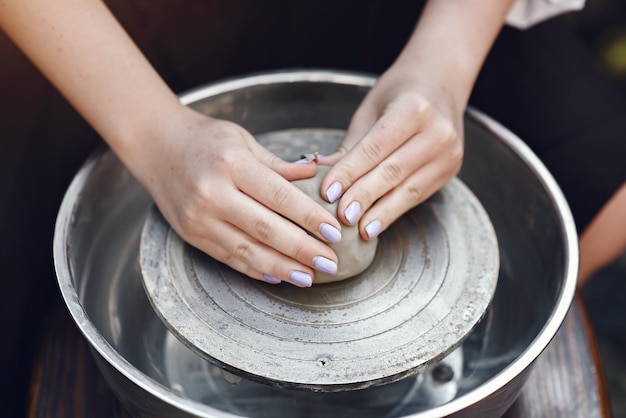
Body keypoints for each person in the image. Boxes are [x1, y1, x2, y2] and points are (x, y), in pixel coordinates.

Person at [0, 0, 624, 415]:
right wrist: (156, 135)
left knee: (604, 179)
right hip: (108, 34)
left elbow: (449, 57)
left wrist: (442, 65)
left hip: (408, 18)